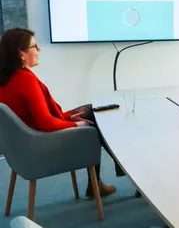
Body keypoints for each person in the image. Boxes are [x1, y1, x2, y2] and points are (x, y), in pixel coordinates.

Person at [0, 28, 124, 198]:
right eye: (35, 46)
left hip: (25, 145)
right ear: (21, 54)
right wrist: (75, 124)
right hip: (42, 143)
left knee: (89, 110)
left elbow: (34, 115)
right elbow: (46, 123)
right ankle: (119, 168)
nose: (39, 50)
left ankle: (100, 181)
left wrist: (68, 117)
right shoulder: (25, 79)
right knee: (92, 119)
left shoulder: (7, 79)